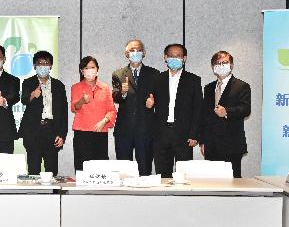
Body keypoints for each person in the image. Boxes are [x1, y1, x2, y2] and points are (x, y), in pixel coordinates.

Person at [147, 43, 202, 178]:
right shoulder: (157, 79)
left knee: (183, 176)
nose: (174, 59)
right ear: (165, 58)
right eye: (171, 56)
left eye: (178, 56)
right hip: (161, 134)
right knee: (162, 174)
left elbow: (198, 109)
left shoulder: (193, 80)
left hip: (183, 135)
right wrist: (149, 105)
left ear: (184, 58)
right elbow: (149, 104)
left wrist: (194, 134)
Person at [111, 39, 159, 176]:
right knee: (124, 170)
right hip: (124, 129)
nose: (135, 52)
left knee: (144, 170)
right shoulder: (118, 74)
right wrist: (123, 93)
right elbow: (115, 97)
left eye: (138, 49)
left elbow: (160, 98)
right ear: (126, 54)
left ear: (144, 53)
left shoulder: (154, 74)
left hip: (145, 129)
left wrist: (153, 103)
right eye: (132, 50)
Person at [199, 51, 251, 178]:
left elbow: (245, 109)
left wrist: (227, 111)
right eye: (218, 63)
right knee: (212, 183)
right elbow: (205, 116)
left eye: (225, 62)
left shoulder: (242, 86)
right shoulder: (208, 88)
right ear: (213, 68)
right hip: (211, 145)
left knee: (233, 183)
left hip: (231, 144)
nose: (221, 65)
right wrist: (202, 142)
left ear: (231, 65)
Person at [19, 51, 68, 176]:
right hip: (33, 131)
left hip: (52, 131)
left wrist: (62, 135)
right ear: (35, 66)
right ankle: (34, 195)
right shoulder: (28, 82)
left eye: (46, 63)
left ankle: (53, 195)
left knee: (51, 171)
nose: (43, 66)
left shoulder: (58, 85)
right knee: (33, 171)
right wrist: (32, 95)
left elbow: (64, 113)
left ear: (51, 65)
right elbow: (24, 100)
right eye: (40, 63)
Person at [70, 56, 117, 171]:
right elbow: (73, 107)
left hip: (100, 132)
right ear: (82, 71)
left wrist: (104, 121)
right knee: (82, 168)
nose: (90, 70)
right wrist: (82, 101)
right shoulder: (76, 87)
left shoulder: (105, 88)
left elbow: (112, 110)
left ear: (97, 69)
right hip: (82, 134)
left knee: (100, 168)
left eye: (92, 67)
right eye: (86, 68)